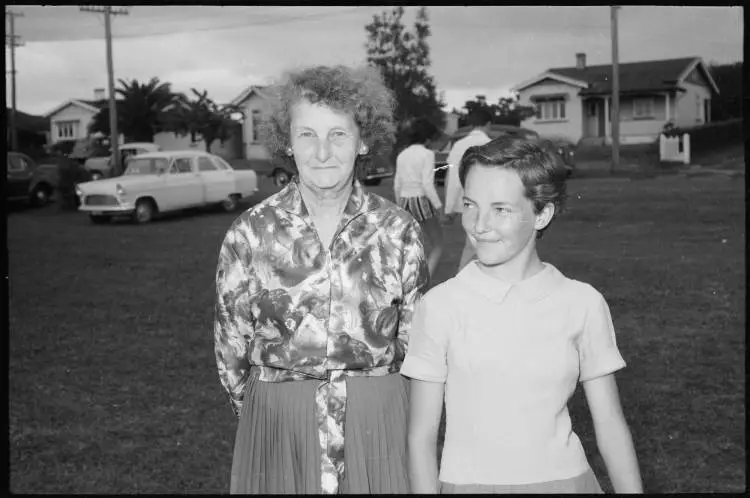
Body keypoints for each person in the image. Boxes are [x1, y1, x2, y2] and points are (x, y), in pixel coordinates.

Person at [214, 64, 429, 495]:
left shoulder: (399, 230)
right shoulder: (250, 231)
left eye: (338, 134)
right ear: (288, 143)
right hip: (278, 426)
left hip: (378, 424)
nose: (322, 151)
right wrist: (270, 411)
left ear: (363, 139)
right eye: (307, 134)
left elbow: (416, 343)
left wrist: (384, 407)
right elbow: (230, 345)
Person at [402, 136, 643, 494]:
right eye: (470, 204)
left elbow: (609, 423)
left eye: (501, 209)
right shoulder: (439, 306)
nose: (479, 224)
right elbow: (421, 438)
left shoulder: (582, 303)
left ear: (541, 213)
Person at [443, 107, 493, 274]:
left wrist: (449, 208)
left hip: (466, 203)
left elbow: (453, 179)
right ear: (488, 124)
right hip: (488, 203)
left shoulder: (458, 145)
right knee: (478, 246)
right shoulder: (490, 145)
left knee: (473, 245)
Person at [394, 117, 444, 279]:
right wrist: (438, 207)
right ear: (428, 139)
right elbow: (427, 184)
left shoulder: (402, 154)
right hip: (420, 200)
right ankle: (423, 283)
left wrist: (399, 207)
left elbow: (397, 185)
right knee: (438, 245)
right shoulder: (428, 154)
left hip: (404, 201)